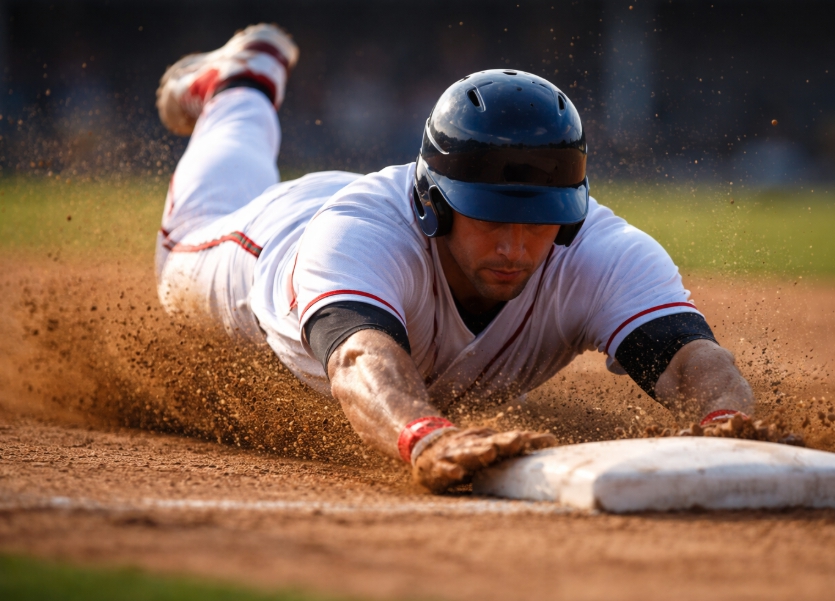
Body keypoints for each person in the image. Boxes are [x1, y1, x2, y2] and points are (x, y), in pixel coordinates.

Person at [155, 24, 756, 492]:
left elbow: (689, 358)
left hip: (361, 239)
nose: (515, 246)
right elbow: (360, 358)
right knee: (184, 243)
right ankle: (241, 84)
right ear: (433, 204)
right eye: (490, 216)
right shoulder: (356, 238)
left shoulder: (603, 250)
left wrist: (726, 420)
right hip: (269, 238)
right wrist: (424, 437)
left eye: (538, 220)